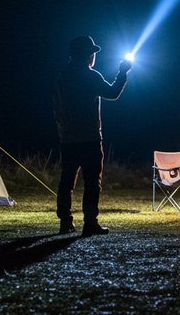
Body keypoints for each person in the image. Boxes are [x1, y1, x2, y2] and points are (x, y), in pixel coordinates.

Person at [53, 35, 131, 236]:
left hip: (68, 139)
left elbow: (57, 107)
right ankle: (90, 223)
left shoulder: (63, 76)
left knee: (66, 181)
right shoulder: (90, 76)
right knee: (91, 182)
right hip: (89, 139)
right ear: (88, 55)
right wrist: (122, 72)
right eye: (92, 53)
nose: (93, 56)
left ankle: (65, 221)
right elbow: (113, 93)